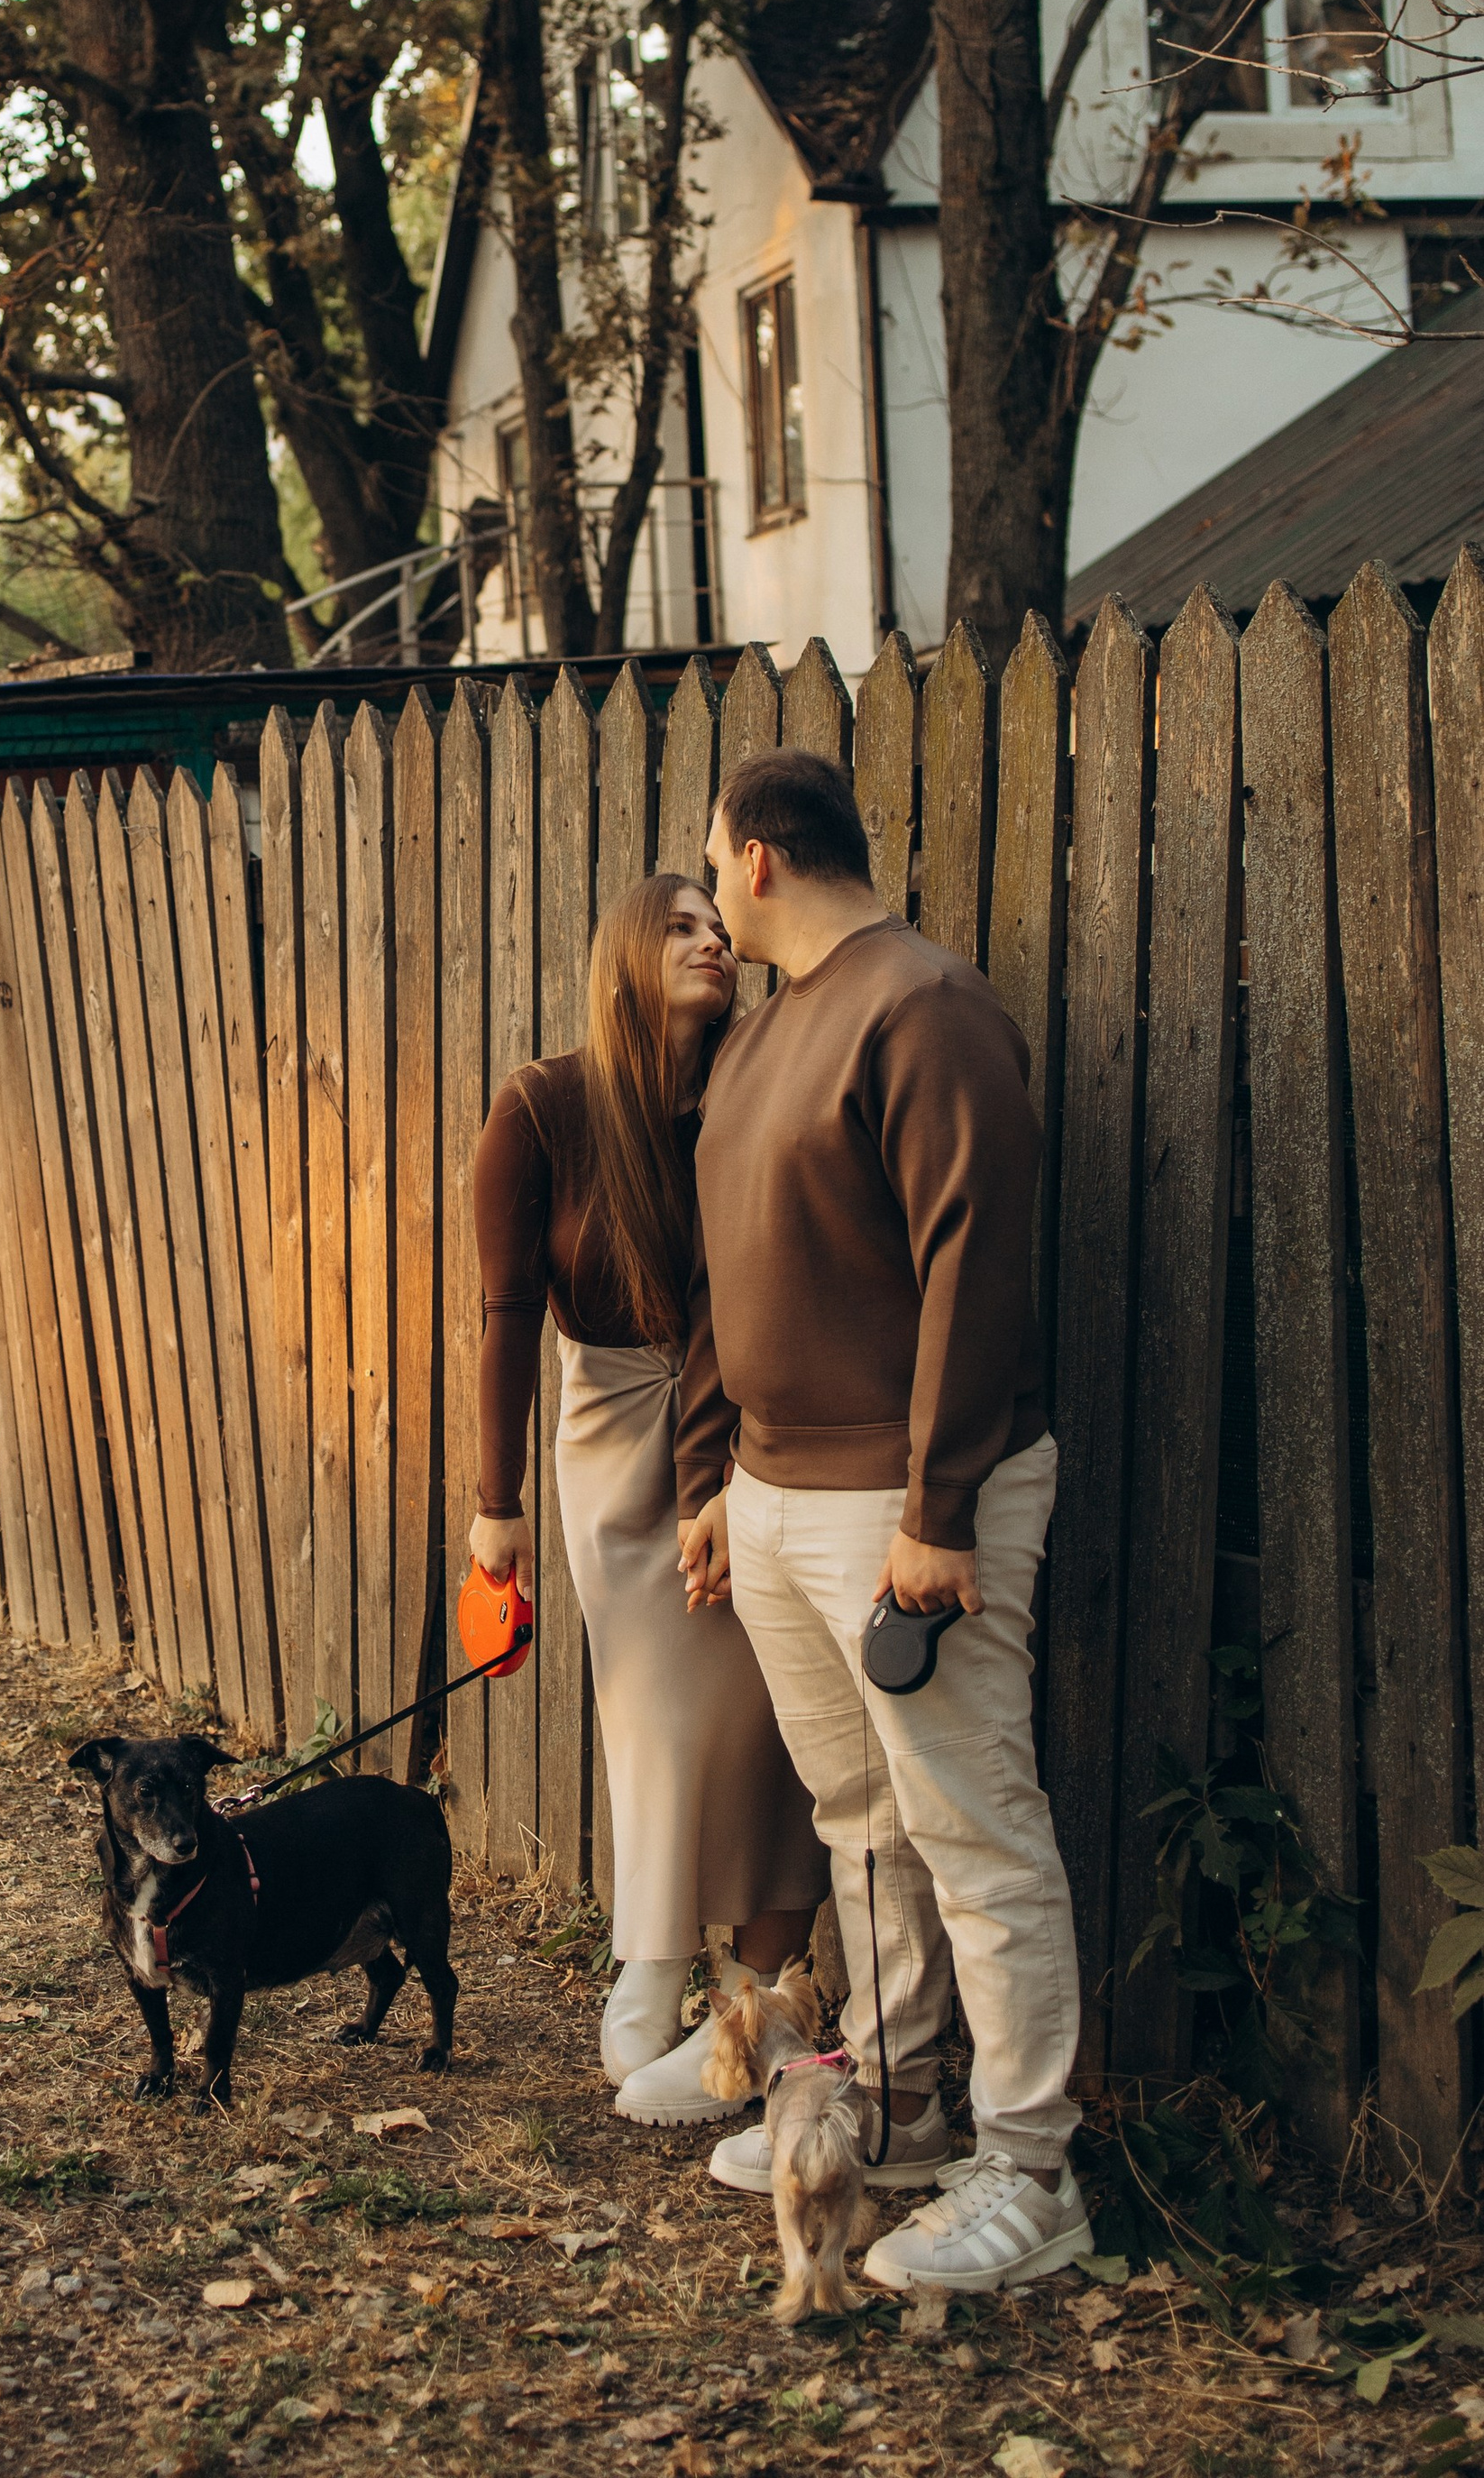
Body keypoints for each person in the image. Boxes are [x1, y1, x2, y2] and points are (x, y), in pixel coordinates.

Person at [676, 748, 1087, 2291]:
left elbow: (976, 1256)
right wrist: (723, 1475)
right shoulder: (767, 1036)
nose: (713, 891)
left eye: (717, 862)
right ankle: (901, 2104)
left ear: (764, 855)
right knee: (858, 1823)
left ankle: (1035, 2171)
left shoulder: (928, 1007)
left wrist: (943, 1502)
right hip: (780, 1498)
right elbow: (736, 1269)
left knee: (974, 1825)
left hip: (906, 1509)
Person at [472, 868, 827, 2125]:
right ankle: (657, 1956)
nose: (713, 942)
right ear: (626, 952)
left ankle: (750, 1990)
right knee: (657, 1718)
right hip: (609, 1434)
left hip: (745, 1425)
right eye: (681, 927)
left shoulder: (752, 1077)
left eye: (719, 926)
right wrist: (494, 1502)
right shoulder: (544, 1105)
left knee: (774, 1712)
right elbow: (510, 1312)